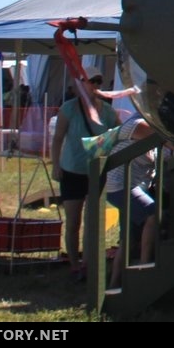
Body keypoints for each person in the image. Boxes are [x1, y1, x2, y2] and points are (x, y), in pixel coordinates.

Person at [50, 74, 121, 280]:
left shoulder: (108, 111)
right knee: (73, 222)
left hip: (96, 172)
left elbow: (118, 136)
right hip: (71, 171)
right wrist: (56, 165)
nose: (96, 85)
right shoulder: (69, 108)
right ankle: (74, 264)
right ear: (80, 85)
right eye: (92, 81)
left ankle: (88, 265)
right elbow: (58, 138)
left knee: (94, 222)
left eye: (99, 81)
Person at [104, 115, 159, 287]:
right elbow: (173, 143)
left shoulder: (154, 130)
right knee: (153, 213)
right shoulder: (136, 125)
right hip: (119, 185)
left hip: (133, 186)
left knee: (127, 238)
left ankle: (114, 283)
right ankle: (144, 268)